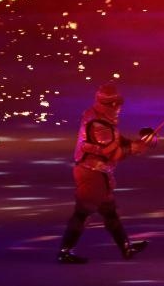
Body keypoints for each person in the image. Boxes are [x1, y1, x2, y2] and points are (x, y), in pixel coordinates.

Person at [57, 83, 157, 264]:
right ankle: (65, 251)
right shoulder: (99, 123)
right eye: (117, 104)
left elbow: (116, 141)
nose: (119, 108)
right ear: (111, 104)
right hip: (92, 175)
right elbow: (112, 153)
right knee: (82, 213)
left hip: (100, 175)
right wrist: (135, 148)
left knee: (110, 213)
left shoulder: (100, 118)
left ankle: (126, 248)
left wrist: (139, 142)